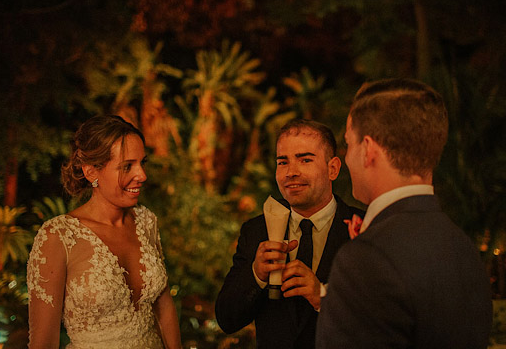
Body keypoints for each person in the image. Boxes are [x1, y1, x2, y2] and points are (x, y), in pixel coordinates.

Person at [316, 78, 492, 348]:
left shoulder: (366, 260)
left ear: (368, 150)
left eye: (349, 144)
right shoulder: (462, 248)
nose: (347, 157)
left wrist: (364, 255)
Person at [28, 115, 182, 348]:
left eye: (143, 162)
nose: (142, 175)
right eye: (127, 166)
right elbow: (43, 342)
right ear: (91, 172)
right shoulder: (59, 237)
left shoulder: (146, 221)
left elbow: (164, 307)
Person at [215, 119, 365, 349]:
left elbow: (386, 321)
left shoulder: (366, 227)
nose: (291, 172)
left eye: (305, 160)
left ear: (332, 168)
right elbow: (227, 319)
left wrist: (323, 298)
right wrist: (256, 275)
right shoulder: (256, 231)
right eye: (282, 162)